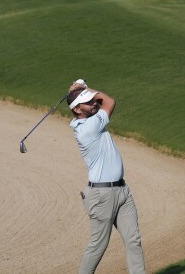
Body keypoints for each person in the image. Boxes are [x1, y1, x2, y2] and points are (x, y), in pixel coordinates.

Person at [67, 80, 146, 274]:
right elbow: (109, 101)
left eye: (93, 100)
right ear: (77, 109)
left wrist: (82, 90)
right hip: (102, 195)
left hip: (122, 191)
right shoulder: (88, 128)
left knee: (133, 239)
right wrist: (85, 88)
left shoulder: (92, 120)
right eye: (89, 102)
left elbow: (101, 103)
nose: (95, 103)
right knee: (98, 246)